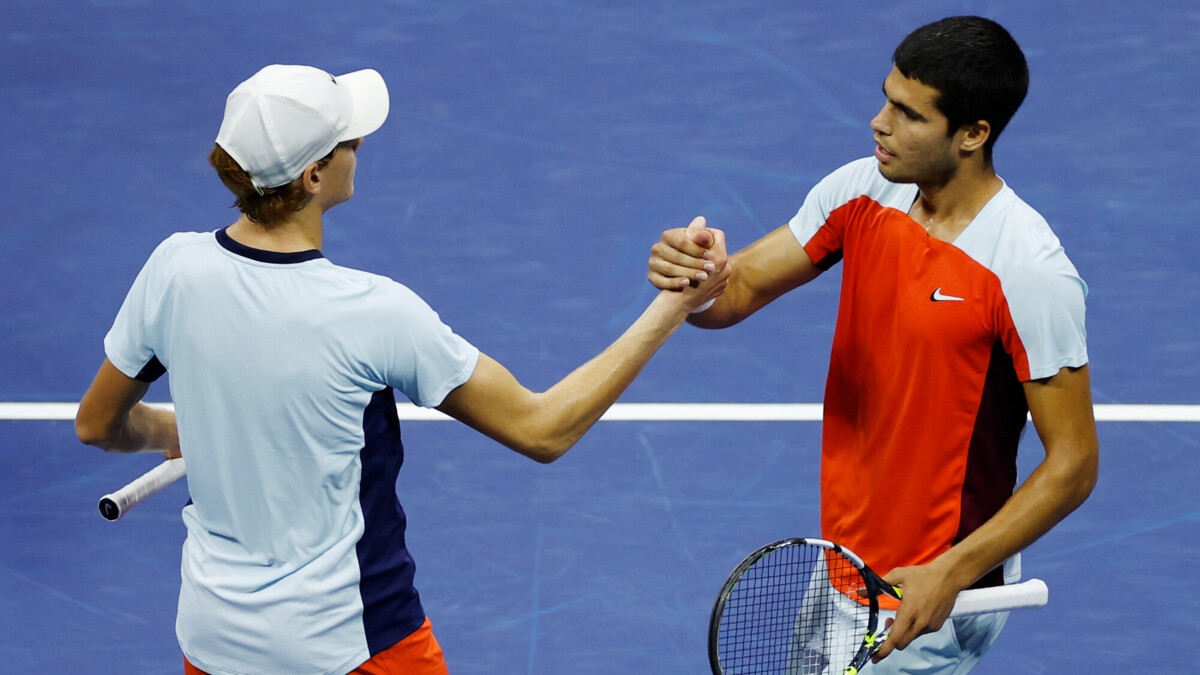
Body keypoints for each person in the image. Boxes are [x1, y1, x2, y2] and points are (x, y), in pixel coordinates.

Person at [75, 64, 725, 675]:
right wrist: (676, 305)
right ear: (313, 176)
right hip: (356, 648)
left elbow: (98, 424)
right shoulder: (375, 314)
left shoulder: (173, 270)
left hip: (214, 646)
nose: (359, 143)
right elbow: (543, 428)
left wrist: (170, 429)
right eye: (347, 140)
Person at [648, 16, 1099, 674]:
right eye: (887, 98)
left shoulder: (1027, 270)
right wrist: (700, 278)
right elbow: (736, 289)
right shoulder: (863, 190)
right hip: (845, 563)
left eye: (909, 114)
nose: (878, 123)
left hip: (933, 592)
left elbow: (1075, 463)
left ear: (974, 133)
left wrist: (951, 570)